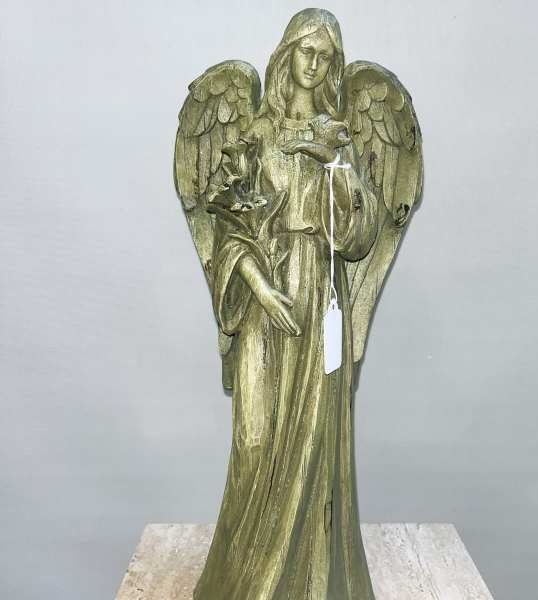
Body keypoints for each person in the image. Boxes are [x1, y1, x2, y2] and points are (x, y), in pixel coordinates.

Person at [194, 9, 378, 599]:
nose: (314, 64)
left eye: (325, 56)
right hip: (263, 293)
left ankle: (314, 582)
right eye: (306, 51)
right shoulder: (256, 133)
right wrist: (259, 286)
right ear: (287, 53)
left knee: (315, 443)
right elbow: (226, 225)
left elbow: (360, 236)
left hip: (319, 290)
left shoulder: (338, 136)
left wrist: (336, 167)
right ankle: (240, 582)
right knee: (254, 440)